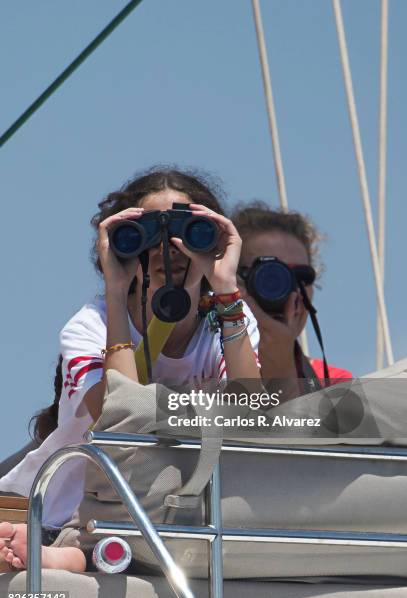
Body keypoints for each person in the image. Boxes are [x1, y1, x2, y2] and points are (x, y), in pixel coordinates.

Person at [0, 167, 261, 572]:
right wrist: (117, 291)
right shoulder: (91, 326)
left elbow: (251, 411)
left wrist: (226, 287)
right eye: (149, 235)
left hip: (175, 512)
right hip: (68, 514)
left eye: (184, 231)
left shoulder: (228, 323)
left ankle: (82, 558)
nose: (168, 249)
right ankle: (76, 554)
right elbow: (120, 415)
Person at [232, 202, 352, 392]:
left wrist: (283, 373)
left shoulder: (334, 384)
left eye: (301, 278)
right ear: (233, 282)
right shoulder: (195, 372)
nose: (289, 293)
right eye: (271, 277)